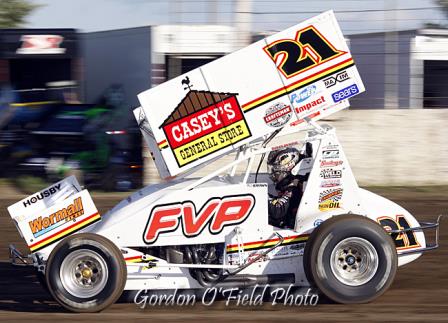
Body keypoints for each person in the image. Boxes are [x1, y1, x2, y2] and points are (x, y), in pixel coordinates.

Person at [267, 147, 303, 228]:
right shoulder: (287, 183)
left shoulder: (294, 186)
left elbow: (278, 210)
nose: (274, 174)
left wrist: (262, 197)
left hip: (290, 226)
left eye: (275, 171)